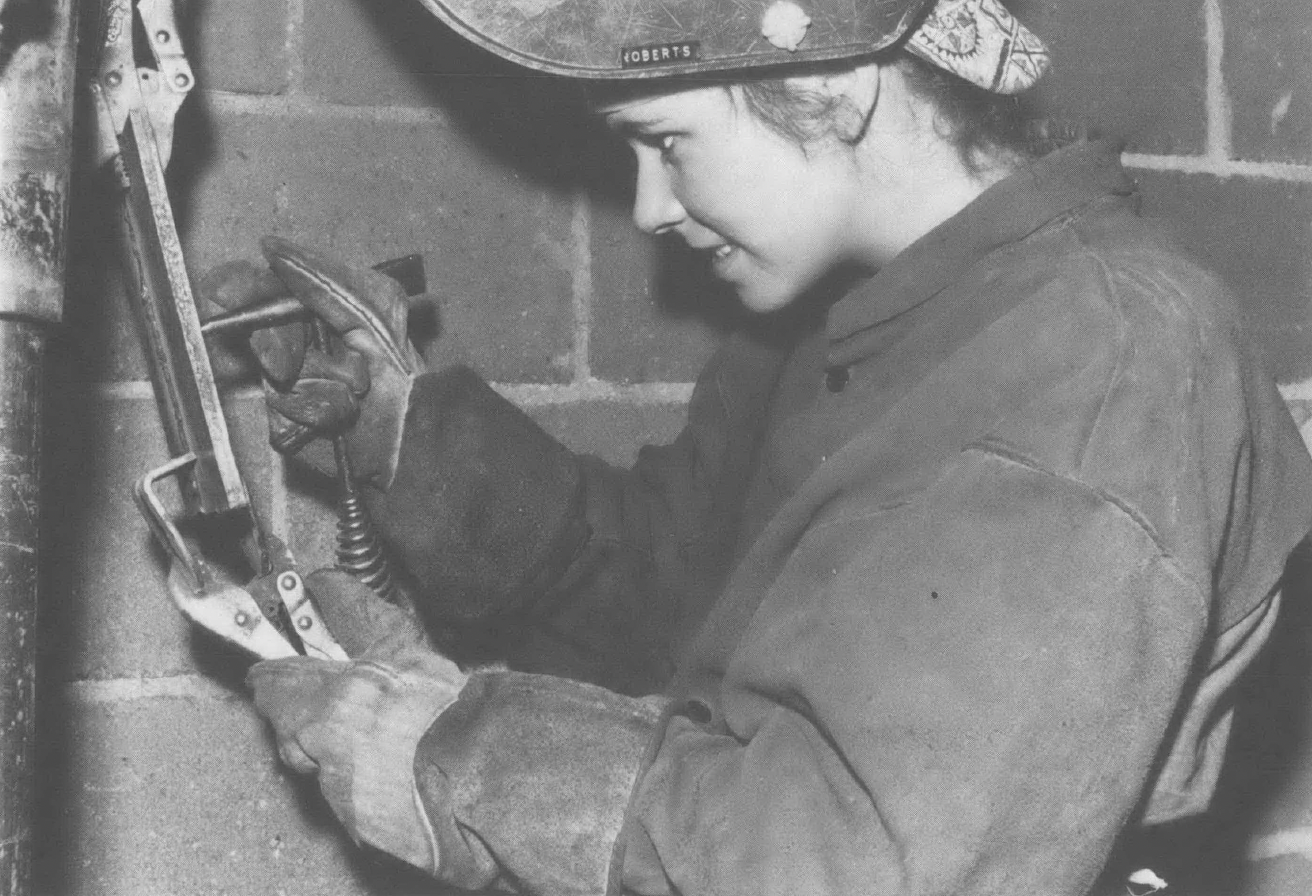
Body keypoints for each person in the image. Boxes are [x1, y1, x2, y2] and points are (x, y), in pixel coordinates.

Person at [199, 0, 1312, 893]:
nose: (648, 208)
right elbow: (673, 589)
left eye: (666, 142)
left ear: (829, 83)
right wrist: (403, 433)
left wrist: (456, 761)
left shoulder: (1099, 360)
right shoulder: (852, 318)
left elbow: (864, 865)